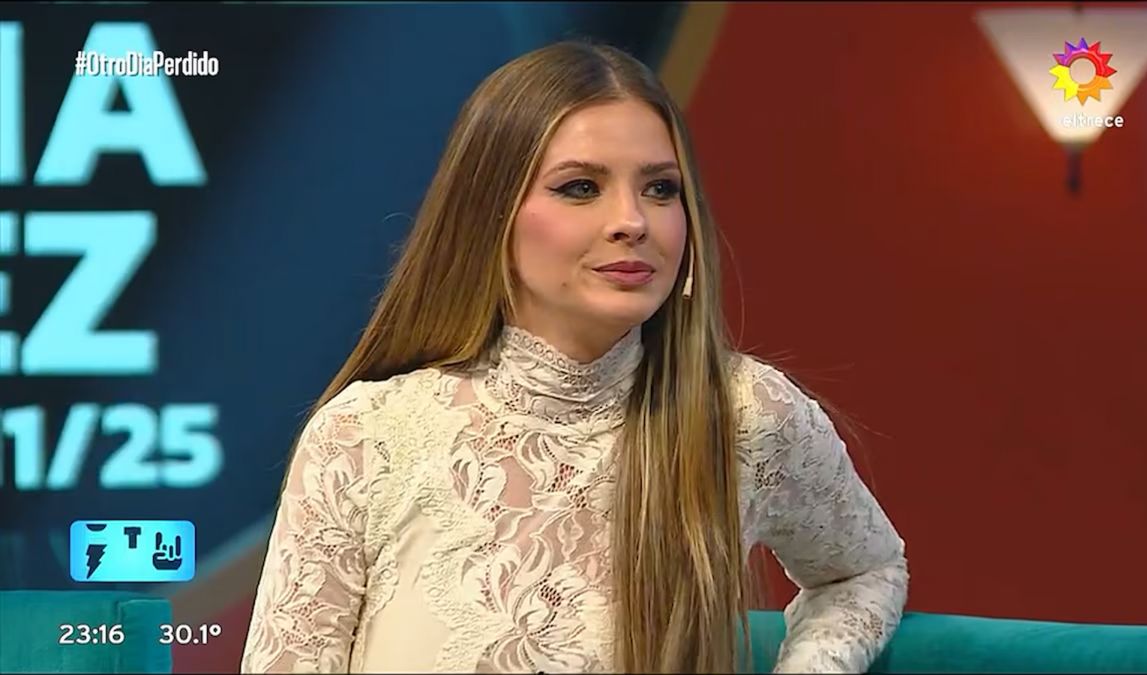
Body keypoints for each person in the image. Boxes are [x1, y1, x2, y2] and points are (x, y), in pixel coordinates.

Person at [240, 39, 908, 674]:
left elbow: (865, 571)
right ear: (489, 215)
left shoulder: (743, 413)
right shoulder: (366, 435)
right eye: (581, 187)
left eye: (660, 188)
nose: (632, 221)